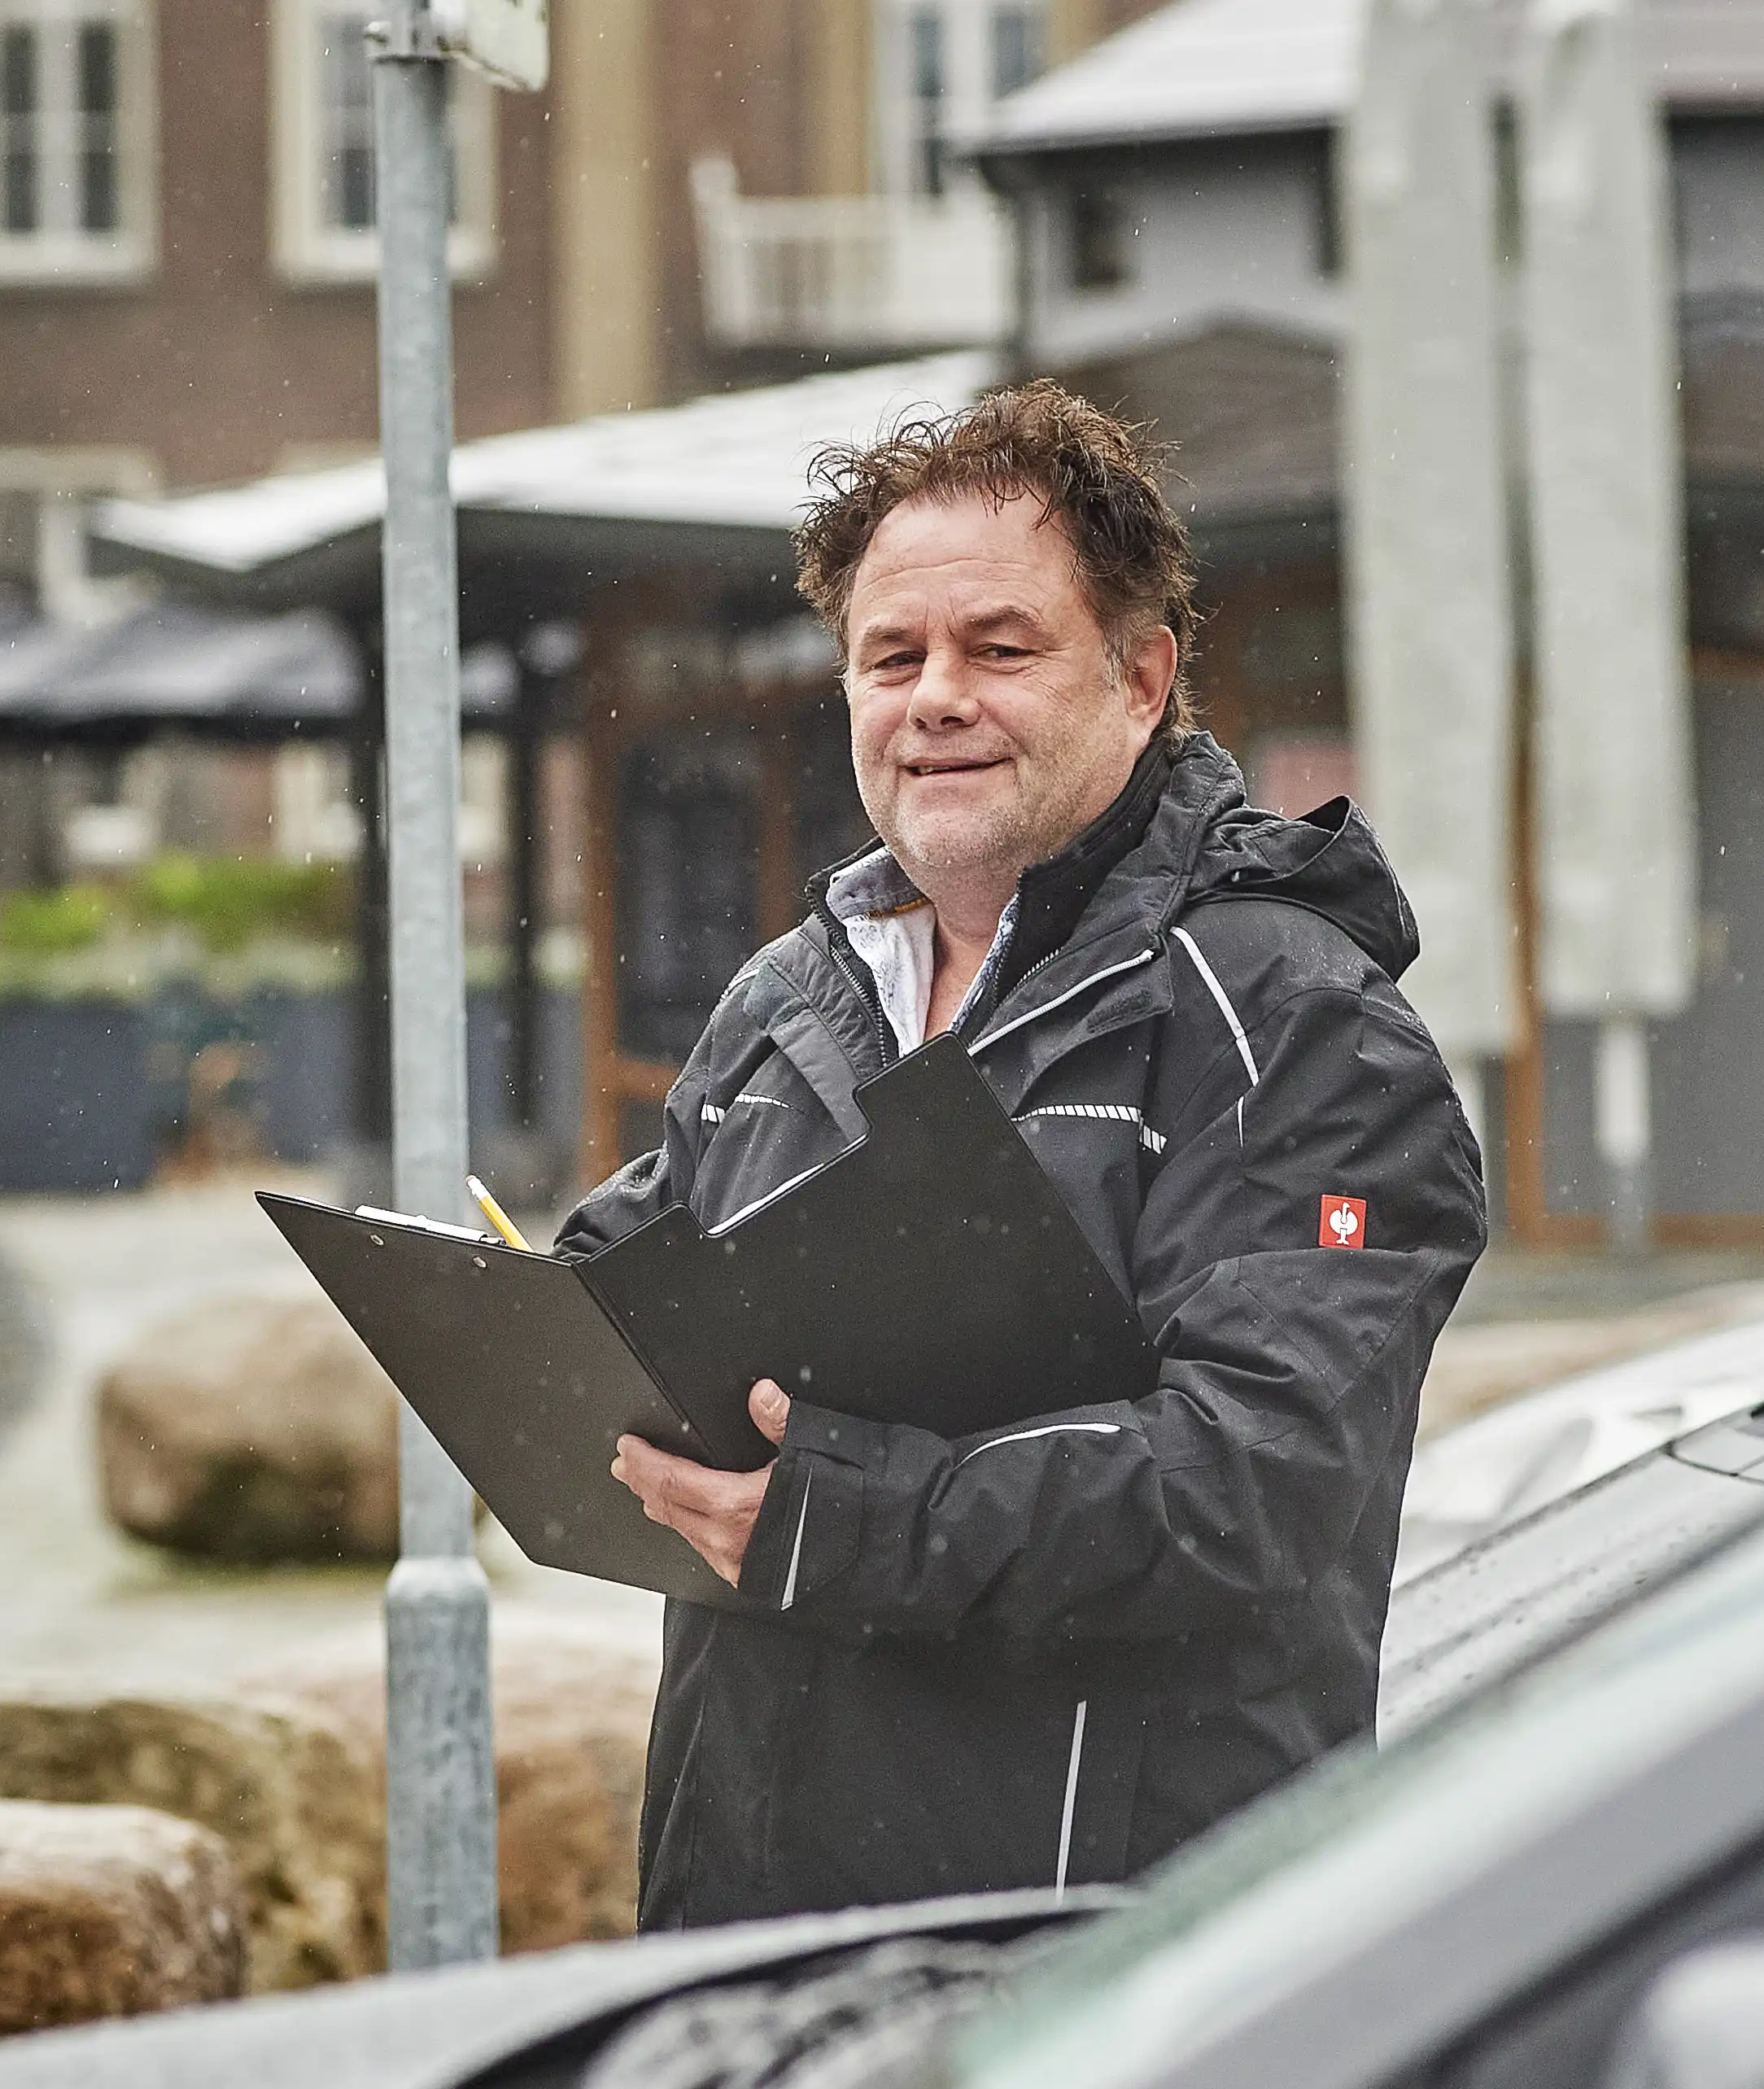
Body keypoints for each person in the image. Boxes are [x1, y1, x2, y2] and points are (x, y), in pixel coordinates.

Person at [564, 382, 1487, 1929]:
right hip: (747, 1935)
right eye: (891, 658)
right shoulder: (783, 1001)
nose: (934, 699)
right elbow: (641, 1278)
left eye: (999, 650)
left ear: (1141, 679)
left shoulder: (1292, 1020)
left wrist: (851, 1519)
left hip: (1089, 1957)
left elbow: (1259, 1479)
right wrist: (550, 1343)